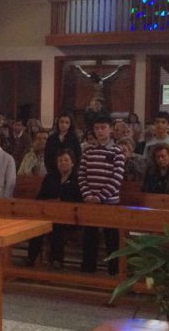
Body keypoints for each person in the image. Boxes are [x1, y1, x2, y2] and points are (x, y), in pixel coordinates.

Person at [79, 113, 124, 274]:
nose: (100, 131)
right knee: (90, 237)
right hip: (90, 200)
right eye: (97, 128)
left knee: (111, 238)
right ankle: (88, 269)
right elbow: (82, 174)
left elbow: (117, 178)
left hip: (109, 202)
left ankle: (114, 271)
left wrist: (100, 197)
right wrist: (87, 195)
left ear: (110, 129)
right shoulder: (88, 150)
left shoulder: (117, 151)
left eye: (103, 128)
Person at [22, 150, 81, 269]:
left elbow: (78, 200)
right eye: (60, 160)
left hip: (70, 217)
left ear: (72, 163)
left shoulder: (77, 179)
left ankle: (56, 260)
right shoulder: (51, 178)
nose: (62, 163)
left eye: (66, 160)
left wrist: (63, 202)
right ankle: (31, 258)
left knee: (58, 227)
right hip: (48, 214)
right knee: (37, 226)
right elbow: (40, 197)